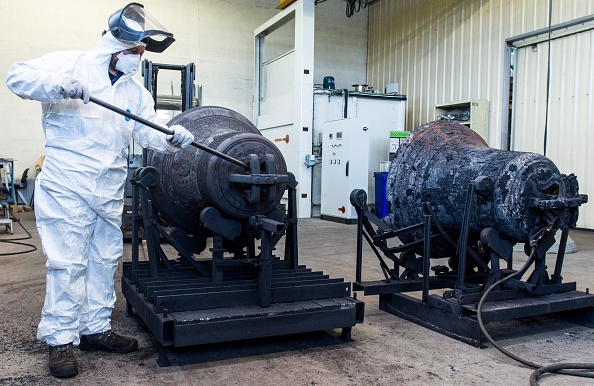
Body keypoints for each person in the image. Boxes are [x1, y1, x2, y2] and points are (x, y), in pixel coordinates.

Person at [5, 3, 194, 378]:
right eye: (135, 52)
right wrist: (58, 85)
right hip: (67, 185)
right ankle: (61, 339)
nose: (138, 59)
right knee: (67, 264)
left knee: (104, 260)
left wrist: (173, 136)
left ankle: (95, 329)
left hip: (107, 189)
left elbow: (147, 129)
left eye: (142, 53)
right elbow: (16, 76)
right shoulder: (70, 65)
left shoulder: (133, 91)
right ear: (114, 46)